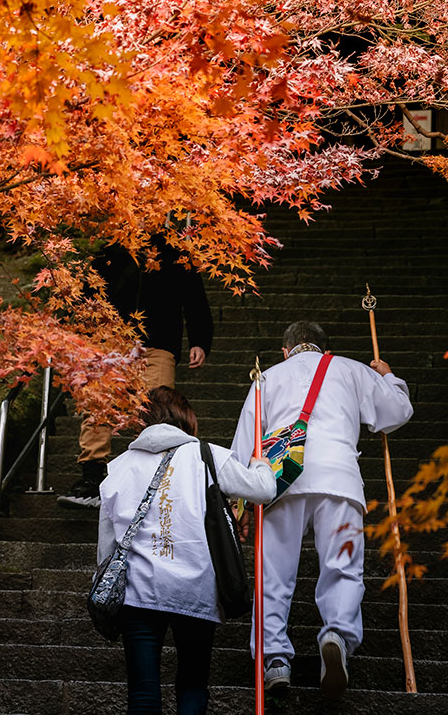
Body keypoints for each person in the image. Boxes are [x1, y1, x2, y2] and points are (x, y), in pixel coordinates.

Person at [228, 319, 413, 700]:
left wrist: (238, 502)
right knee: (343, 569)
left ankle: (274, 659)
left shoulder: (267, 377)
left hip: (278, 483)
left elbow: (245, 443)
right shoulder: (349, 369)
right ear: (324, 349)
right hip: (341, 480)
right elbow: (396, 412)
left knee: (273, 574)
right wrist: (389, 376)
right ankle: (338, 636)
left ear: (286, 349)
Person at [98, 387, 276, 715]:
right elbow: (263, 489)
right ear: (187, 419)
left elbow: (107, 549)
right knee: (193, 684)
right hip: (195, 589)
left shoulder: (117, 467)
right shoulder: (208, 455)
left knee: (142, 691)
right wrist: (260, 464)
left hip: (137, 594)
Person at [59, 239, 214, 508]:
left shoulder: (176, 252)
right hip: (110, 343)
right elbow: (87, 293)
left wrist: (199, 339)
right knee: (98, 405)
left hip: (159, 343)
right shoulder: (110, 249)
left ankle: (150, 480)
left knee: (157, 410)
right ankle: (92, 478)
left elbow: (193, 297)